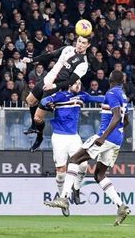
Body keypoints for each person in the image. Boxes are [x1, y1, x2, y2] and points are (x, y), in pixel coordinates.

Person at [45, 71, 131, 226]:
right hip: (117, 139)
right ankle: (121, 206)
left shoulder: (111, 93)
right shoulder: (123, 96)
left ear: (110, 78)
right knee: (99, 175)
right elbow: (126, 120)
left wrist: (103, 137)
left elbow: (117, 116)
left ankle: (64, 197)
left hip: (106, 137)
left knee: (75, 159)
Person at [41, 79, 104, 217]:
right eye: (76, 83)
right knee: (61, 173)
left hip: (74, 137)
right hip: (59, 137)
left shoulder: (82, 96)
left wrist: (115, 99)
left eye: (80, 84)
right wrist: (48, 104)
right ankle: (62, 199)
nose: (78, 86)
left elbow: (99, 98)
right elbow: (44, 101)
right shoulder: (60, 96)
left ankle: (76, 188)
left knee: (83, 165)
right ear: (69, 85)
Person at [23, 35, 90, 152]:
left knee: (38, 118)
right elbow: (49, 55)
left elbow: (70, 82)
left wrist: (54, 86)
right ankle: (34, 126)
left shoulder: (83, 63)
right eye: (79, 41)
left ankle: (39, 137)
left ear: (88, 45)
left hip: (56, 87)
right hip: (48, 78)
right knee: (29, 100)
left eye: (84, 43)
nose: (80, 44)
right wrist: (32, 60)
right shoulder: (67, 49)